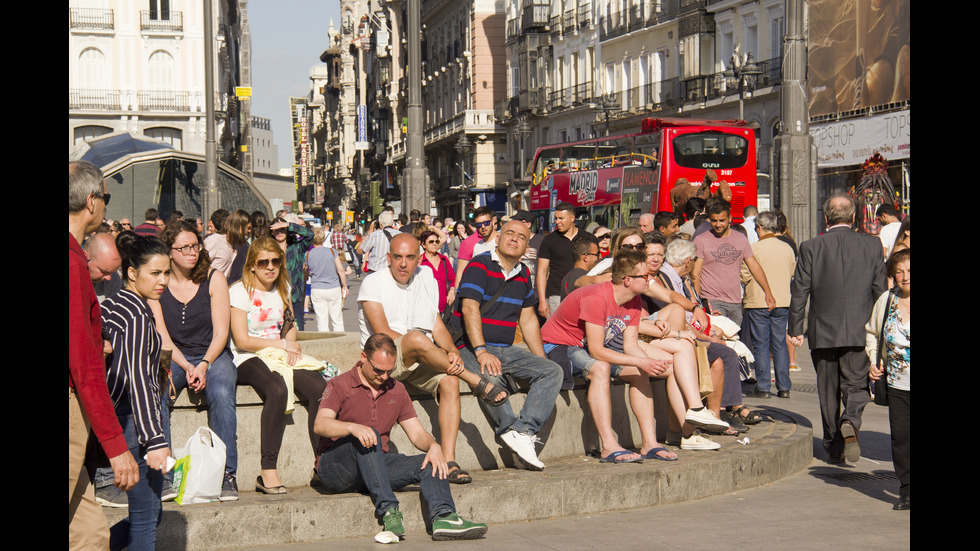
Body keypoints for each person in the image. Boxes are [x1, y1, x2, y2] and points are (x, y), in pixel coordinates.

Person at [542, 250, 727, 463]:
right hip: (560, 346)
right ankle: (608, 446)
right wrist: (642, 360)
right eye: (645, 276)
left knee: (642, 370)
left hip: (587, 347)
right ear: (628, 280)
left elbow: (630, 346)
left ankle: (650, 443)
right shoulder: (596, 297)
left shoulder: (634, 300)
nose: (650, 280)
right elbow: (596, 351)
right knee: (600, 367)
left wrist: (647, 362)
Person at [358, 233, 508, 484]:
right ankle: (475, 381)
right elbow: (383, 333)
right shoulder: (373, 282)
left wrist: (450, 349)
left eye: (409, 258)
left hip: (421, 360)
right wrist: (425, 345)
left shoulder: (425, 277)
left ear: (419, 259)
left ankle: (449, 461)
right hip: (384, 362)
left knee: (449, 381)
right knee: (416, 338)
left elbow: (436, 323)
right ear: (388, 258)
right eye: (397, 257)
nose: (403, 264)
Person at [314, 334, 489, 541]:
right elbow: (321, 424)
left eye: (390, 371)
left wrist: (433, 445)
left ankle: (444, 517)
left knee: (431, 461)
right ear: (363, 357)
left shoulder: (396, 389)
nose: (384, 377)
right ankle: (389, 510)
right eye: (379, 370)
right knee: (370, 436)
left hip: (373, 467)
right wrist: (353, 428)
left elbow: (416, 433)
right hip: (336, 469)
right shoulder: (339, 384)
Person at [452, 221, 564, 470]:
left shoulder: (524, 272)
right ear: (499, 238)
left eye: (521, 237)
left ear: (526, 247)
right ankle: (508, 428)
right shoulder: (479, 264)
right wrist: (480, 351)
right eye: (509, 233)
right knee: (491, 381)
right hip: (468, 346)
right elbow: (469, 307)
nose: (514, 239)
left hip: (506, 349)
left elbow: (528, 319)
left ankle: (522, 431)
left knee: (552, 370)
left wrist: (540, 358)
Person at [69, 161, 138, 550]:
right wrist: (116, 445)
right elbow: (84, 364)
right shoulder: (73, 262)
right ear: (91, 201)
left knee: (91, 534)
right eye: (106, 198)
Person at [789, 195, 887, 464]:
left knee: (827, 388)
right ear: (853, 217)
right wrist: (884, 329)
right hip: (860, 329)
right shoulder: (872, 245)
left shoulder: (811, 246)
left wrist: (796, 328)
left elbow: (800, 291)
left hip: (823, 331)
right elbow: (880, 292)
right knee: (856, 385)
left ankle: (833, 446)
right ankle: (851, 420)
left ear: (825, 218)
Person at [229, 238, 327, 493]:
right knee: (278, 389)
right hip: (246, 357)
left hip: (279, 354)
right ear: (251, 265)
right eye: (263, 262)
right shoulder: (239, 291)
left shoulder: (282, 286)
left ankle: (322, 463)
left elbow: (289, 325)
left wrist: (290, 347)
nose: (270, 267)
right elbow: (241, 340)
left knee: (321, 388)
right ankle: (267, 470)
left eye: (275, 261)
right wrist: (283, 346)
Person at [151, 220, 240, 500]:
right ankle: (163, 473)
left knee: (223, 392)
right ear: (169, 251)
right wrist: (187, 365)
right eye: (184, 247)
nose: (192, 252)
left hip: (213, 354)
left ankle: (227, 474)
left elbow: (222, 333)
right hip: (175, 356)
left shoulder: (214, 278)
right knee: (157, 391)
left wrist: (202, 364)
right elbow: (163, 338)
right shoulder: (159, 284)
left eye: (195, 245)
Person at [100, 232, 173, 551]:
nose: (163, 281)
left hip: (122, 419)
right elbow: (138, 379)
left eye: (167, 272)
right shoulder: (137, 314)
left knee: (148, 515)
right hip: (133, 423)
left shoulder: (116, 303)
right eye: (155, 273)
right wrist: (155, 440)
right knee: (146, 519)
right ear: (132, 273)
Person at [866, 249, 910, 510]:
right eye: (900, 271)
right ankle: (906, 490)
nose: (906, 276)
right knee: (901, 438)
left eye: (910, 270)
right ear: (893, 275)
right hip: (897, 383)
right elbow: (872, 333)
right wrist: (873, 360)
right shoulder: (886, 300)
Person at [692, 198, 776, 326]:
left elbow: (755, 267)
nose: (718, 224)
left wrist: (768, 292)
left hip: (736, 301)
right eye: (714, 221)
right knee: (720, 341)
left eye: (722, 220)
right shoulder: (701, 240)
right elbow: (695, 275)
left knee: (735, 342)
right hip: (712, 300)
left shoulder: (740, 239)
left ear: (730, 219)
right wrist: (698, 304)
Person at [742, 211, 796, 398]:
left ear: (760, 228)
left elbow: (745, 275)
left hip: (758, 301)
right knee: (780, 343)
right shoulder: (787, 248)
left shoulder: (753, 249)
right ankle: (784, 387)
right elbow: (791, 272)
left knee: (761, 344)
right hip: (782, 300)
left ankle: (763, 387)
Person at [537, 202, 580, 317]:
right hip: (556, 294)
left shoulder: (586, 238)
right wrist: (542, 300)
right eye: (556, 218)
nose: (557, 222)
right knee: (555, 332)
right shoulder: (549, 240)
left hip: (581, 292)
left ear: (572, 218)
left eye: (561, 218)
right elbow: (541, 271)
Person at [272, 214, 314, 331]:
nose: (280, 232)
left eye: (282, 229)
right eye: (276, 230)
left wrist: (289, 225)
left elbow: (310, 234)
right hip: (275, 297)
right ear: (272, 232)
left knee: (298, 332)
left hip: (295, 297)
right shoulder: (269, 249)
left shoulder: (297, 246)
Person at [307, 226, 349, 332]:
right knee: (337, 319)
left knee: (321, 321)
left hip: (317, 288)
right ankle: (340, 342)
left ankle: (324, 344)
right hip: (333, 287)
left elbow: (305, 271)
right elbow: (340, 270)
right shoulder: (332, 251)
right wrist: (344, 286)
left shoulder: (308, 254)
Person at [419, 229, 456, 313]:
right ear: (423, 245)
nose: (435, 244)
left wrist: (451, 291)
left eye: (437, 241)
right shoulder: (419, 262)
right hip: (426, 309)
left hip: (444, 308)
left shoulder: (444, 260)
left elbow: (453, 279)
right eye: (431, 242)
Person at [84, 232, 123, 301]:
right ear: (85, 257)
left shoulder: (114, 279)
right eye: (103, 271)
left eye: (113, 271)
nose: (108, 278)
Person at [560, 233, 600, 300]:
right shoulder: (586, 277)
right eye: (597, 254)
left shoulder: (567, 276)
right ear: (585, 257)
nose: (599, 258)